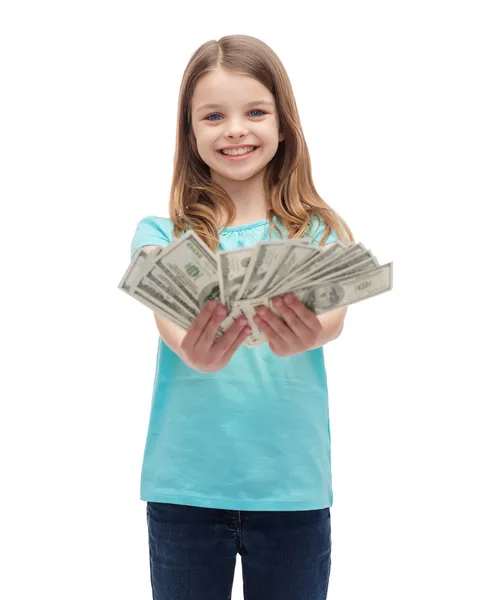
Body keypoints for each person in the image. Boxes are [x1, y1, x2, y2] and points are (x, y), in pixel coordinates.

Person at [129, 34, 355, 600]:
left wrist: (311, 330)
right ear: (191, 133)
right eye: (213, 115)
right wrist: (192, 348)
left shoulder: (318, 234)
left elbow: (334, 317)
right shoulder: (162, 235)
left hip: (293, 493)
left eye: (255, 111)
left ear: (284, 126)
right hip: (185, 491)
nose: (235, 129)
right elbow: (170, 324)